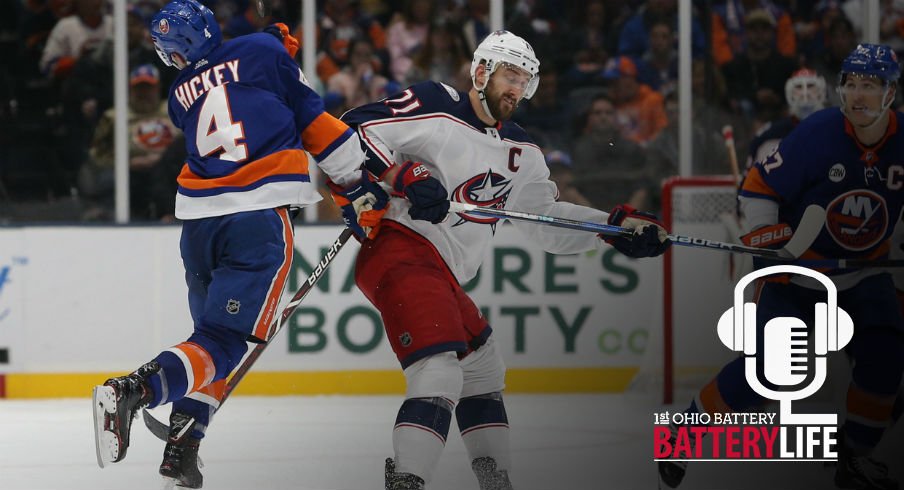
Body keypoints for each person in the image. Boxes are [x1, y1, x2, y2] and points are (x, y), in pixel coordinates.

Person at [339, 30, 671, 490]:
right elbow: (349, 131)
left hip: (444, 273)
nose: (517, 88)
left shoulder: (524, 152)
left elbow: (545, 218)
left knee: (482, 368)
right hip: (400, 248)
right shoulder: (437, 103)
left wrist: (613, 228)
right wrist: (404, 173)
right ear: (481, 72)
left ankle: (495, 480)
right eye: (509, 75)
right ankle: (407, 481)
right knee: (439, 369)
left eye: (525, 79)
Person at [91, 3, 384, 487]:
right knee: (225, 342)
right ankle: (135, 389)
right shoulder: (263, 51)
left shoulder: (179, 95)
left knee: (208, 341)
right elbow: (315, 124)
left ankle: (183, 446)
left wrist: (273, 56)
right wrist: (355, 184)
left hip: (199, 227)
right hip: (256, 218)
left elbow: (231, 88)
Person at [658, 44, 904, 490]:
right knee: (768, 373)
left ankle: (855, 459)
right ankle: (684, 432)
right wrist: (765, 243)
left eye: (870, 85)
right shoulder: (819, 133)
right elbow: (757, 189)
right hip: (800, 272)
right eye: (850, 84)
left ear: (891, 93)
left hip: (867, 271)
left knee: (886, 357)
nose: (858, 95)